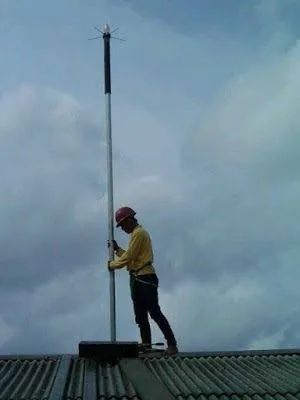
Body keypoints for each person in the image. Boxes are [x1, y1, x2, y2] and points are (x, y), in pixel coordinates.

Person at [108, 206, 178, 356]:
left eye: (123, 225)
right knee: (140, 315)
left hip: (145, 278)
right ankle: (146, 344)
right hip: (136, 277)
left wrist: (112, 265)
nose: (123, 229)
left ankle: (172, 344)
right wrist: (117, 250)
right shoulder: (135, 235)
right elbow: (131, 257)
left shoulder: (139, 233)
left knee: (154, 312)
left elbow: (130, 257)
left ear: (130, 220)